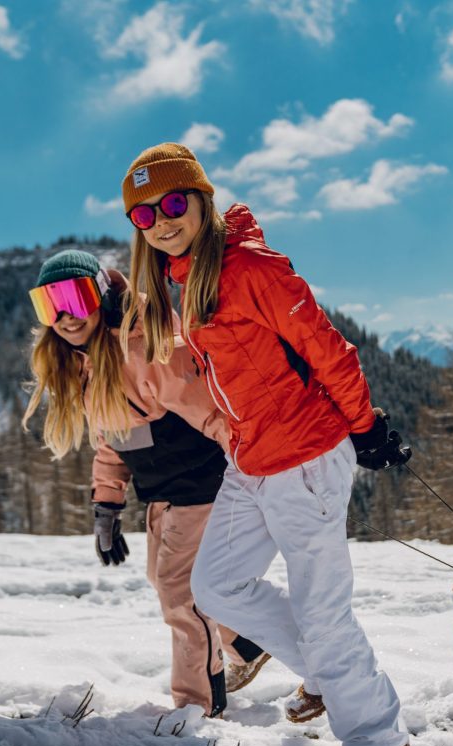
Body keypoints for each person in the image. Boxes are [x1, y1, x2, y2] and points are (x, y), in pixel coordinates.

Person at [118, 143, 413, 746]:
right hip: (250, 463)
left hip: (305, 455)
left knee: (321, 608)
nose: (162, 221)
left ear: (200, 199)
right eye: (144, 216)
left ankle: (377, 742)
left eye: (172, 203)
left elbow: (329, 349)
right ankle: (338, 678)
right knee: (218, 586)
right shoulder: (185, 282)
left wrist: (364, 426)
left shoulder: (249, 269)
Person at [23, 249, 271, 717]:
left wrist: (261, 467)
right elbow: (114, 441)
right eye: (49, 304)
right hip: (163, 495)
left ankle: (196, 705)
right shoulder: (87, 363)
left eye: (75, 298)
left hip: (202, 486)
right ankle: (251, 644)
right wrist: (106, 506)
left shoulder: (146, 347)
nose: (64, 315)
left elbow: (215, 413)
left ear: (99, 294)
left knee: (180, 598)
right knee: (166, 582)